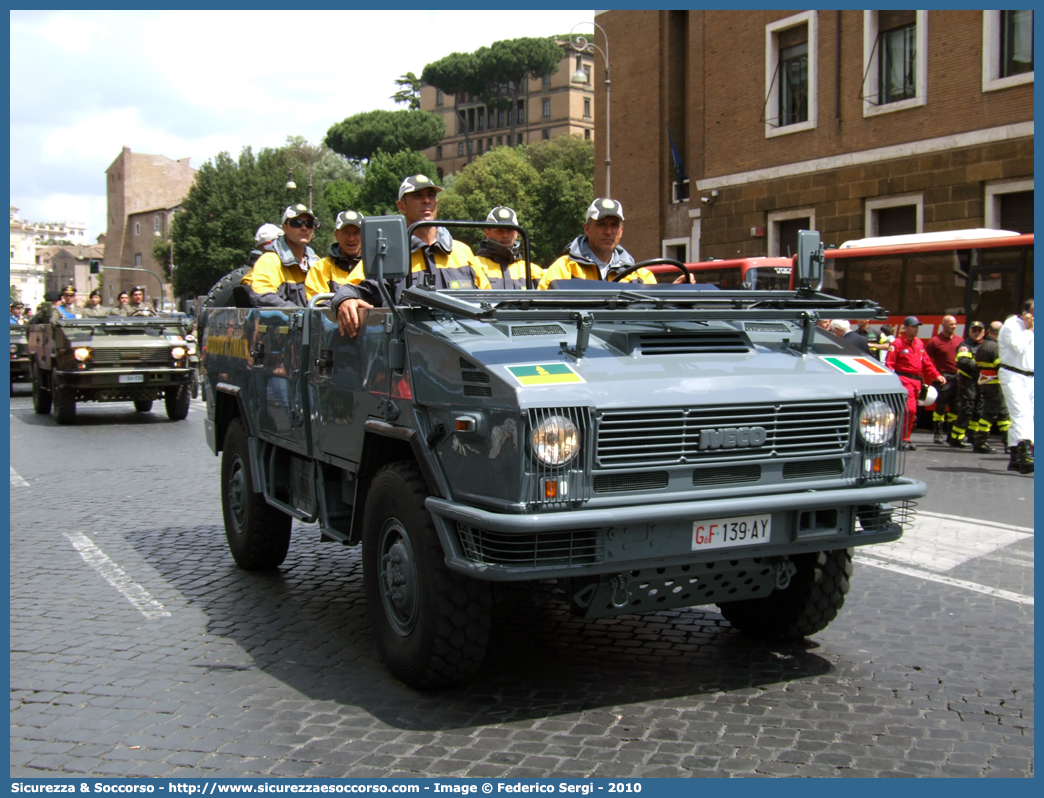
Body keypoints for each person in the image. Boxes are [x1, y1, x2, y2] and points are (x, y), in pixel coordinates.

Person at [333, 175, 489, 338]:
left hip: (464, 345)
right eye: (417, 196)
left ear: (436, 202)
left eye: (431, 195)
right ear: (401, 206)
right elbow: (349, 289)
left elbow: (491, 299)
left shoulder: (463, 251)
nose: (426, 200)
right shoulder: (386, 253)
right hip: (410, 351)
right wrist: (345, 300)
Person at [537, 198, 654, 289]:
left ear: (621, 231)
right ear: (586, 229)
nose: (608, 232)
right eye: (601, 224)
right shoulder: (563, 270)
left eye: (614, 225)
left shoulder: (640, 277)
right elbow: (542, 313)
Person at [240, 204, 321, 308]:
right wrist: (302, 316)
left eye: (309, 224)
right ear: (284, 227)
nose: (304, 228)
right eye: (297, 223)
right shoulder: (269, 260)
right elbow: (263, 296)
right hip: (285, 323)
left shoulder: (317, 262)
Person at [885, 316, 946, 451]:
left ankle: (904, 439)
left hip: (916, 382)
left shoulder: (919, 343)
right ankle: (901, 439)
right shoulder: (897, 344)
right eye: (913, 326)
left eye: (917, 326)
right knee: (909, 410)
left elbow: (926, 363)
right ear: (905, 328)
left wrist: (936, 375)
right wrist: (892, 383)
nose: (916, 329)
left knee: (911, 412)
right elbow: (889, 365)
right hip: (903, 381)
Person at [965, 321, 1011, 455]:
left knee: (1003, 414)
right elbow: (1003, 367)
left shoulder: (983, 346)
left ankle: (1009, 443)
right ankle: (981, 442)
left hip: (987, 384)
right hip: (994, 385)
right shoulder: (995, 348)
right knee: (990, 413)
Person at [999, 298, 1034, 474]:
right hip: (1013, 374)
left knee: (1028, 416)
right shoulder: (1011, 325)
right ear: (1025, 313)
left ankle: (1014, 456)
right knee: (1021, 413)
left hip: (1031, 377)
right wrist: (1029, 330)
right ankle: (1025, 453)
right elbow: (1017, 348)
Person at [474, 206, 542, 289]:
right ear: (487, 233)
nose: (505, 235)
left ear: (517, 233)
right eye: (500, 230)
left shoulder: (534, 272)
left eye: (510, 230)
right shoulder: (474, 266)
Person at [305, 210, 364, 302]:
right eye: (346, 232)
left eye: (357, 233)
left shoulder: (375, 267)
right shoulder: (320, 268)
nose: (351, 238)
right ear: (336, 234)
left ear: (364, 235)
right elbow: (319, 306)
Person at [924, 315, 962, 444]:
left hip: (957, 378)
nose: (954, 326)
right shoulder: (935, 341)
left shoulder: (959, 340)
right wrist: (935, 375)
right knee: (940, 407)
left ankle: (951, 433)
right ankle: (938, 434)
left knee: (956, 407)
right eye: (951, 324)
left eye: (955, 324)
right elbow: (925, 359)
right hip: (943, 378)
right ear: (943, 325)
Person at [950, 320, 986, 450]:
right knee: (967, 408)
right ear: (969, 332)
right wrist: (980, 364)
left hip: (981, 381)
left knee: (978, 409)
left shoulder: (985, 346)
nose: (976, 333)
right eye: (974, 330)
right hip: (968, 381)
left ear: (984, 332)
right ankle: (956, 437)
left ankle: (972, 435)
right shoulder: (965, 345)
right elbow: (963, 361)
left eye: (979, 330)